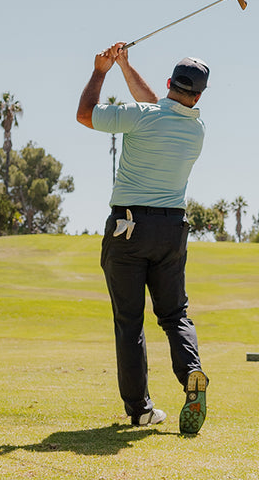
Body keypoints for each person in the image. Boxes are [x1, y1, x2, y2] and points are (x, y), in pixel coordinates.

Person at [76, 43, 209, 433]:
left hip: (128, 229)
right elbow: (158, 106)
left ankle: (140, 409)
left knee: (130, 323)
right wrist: (125, 66)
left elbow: (86, 115)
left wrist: (102, 70)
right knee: (175, 315)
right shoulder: (196, 128)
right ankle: (191, 373)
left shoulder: (141, 117)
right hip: (172, 230)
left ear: (169, 82)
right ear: (198, 96)